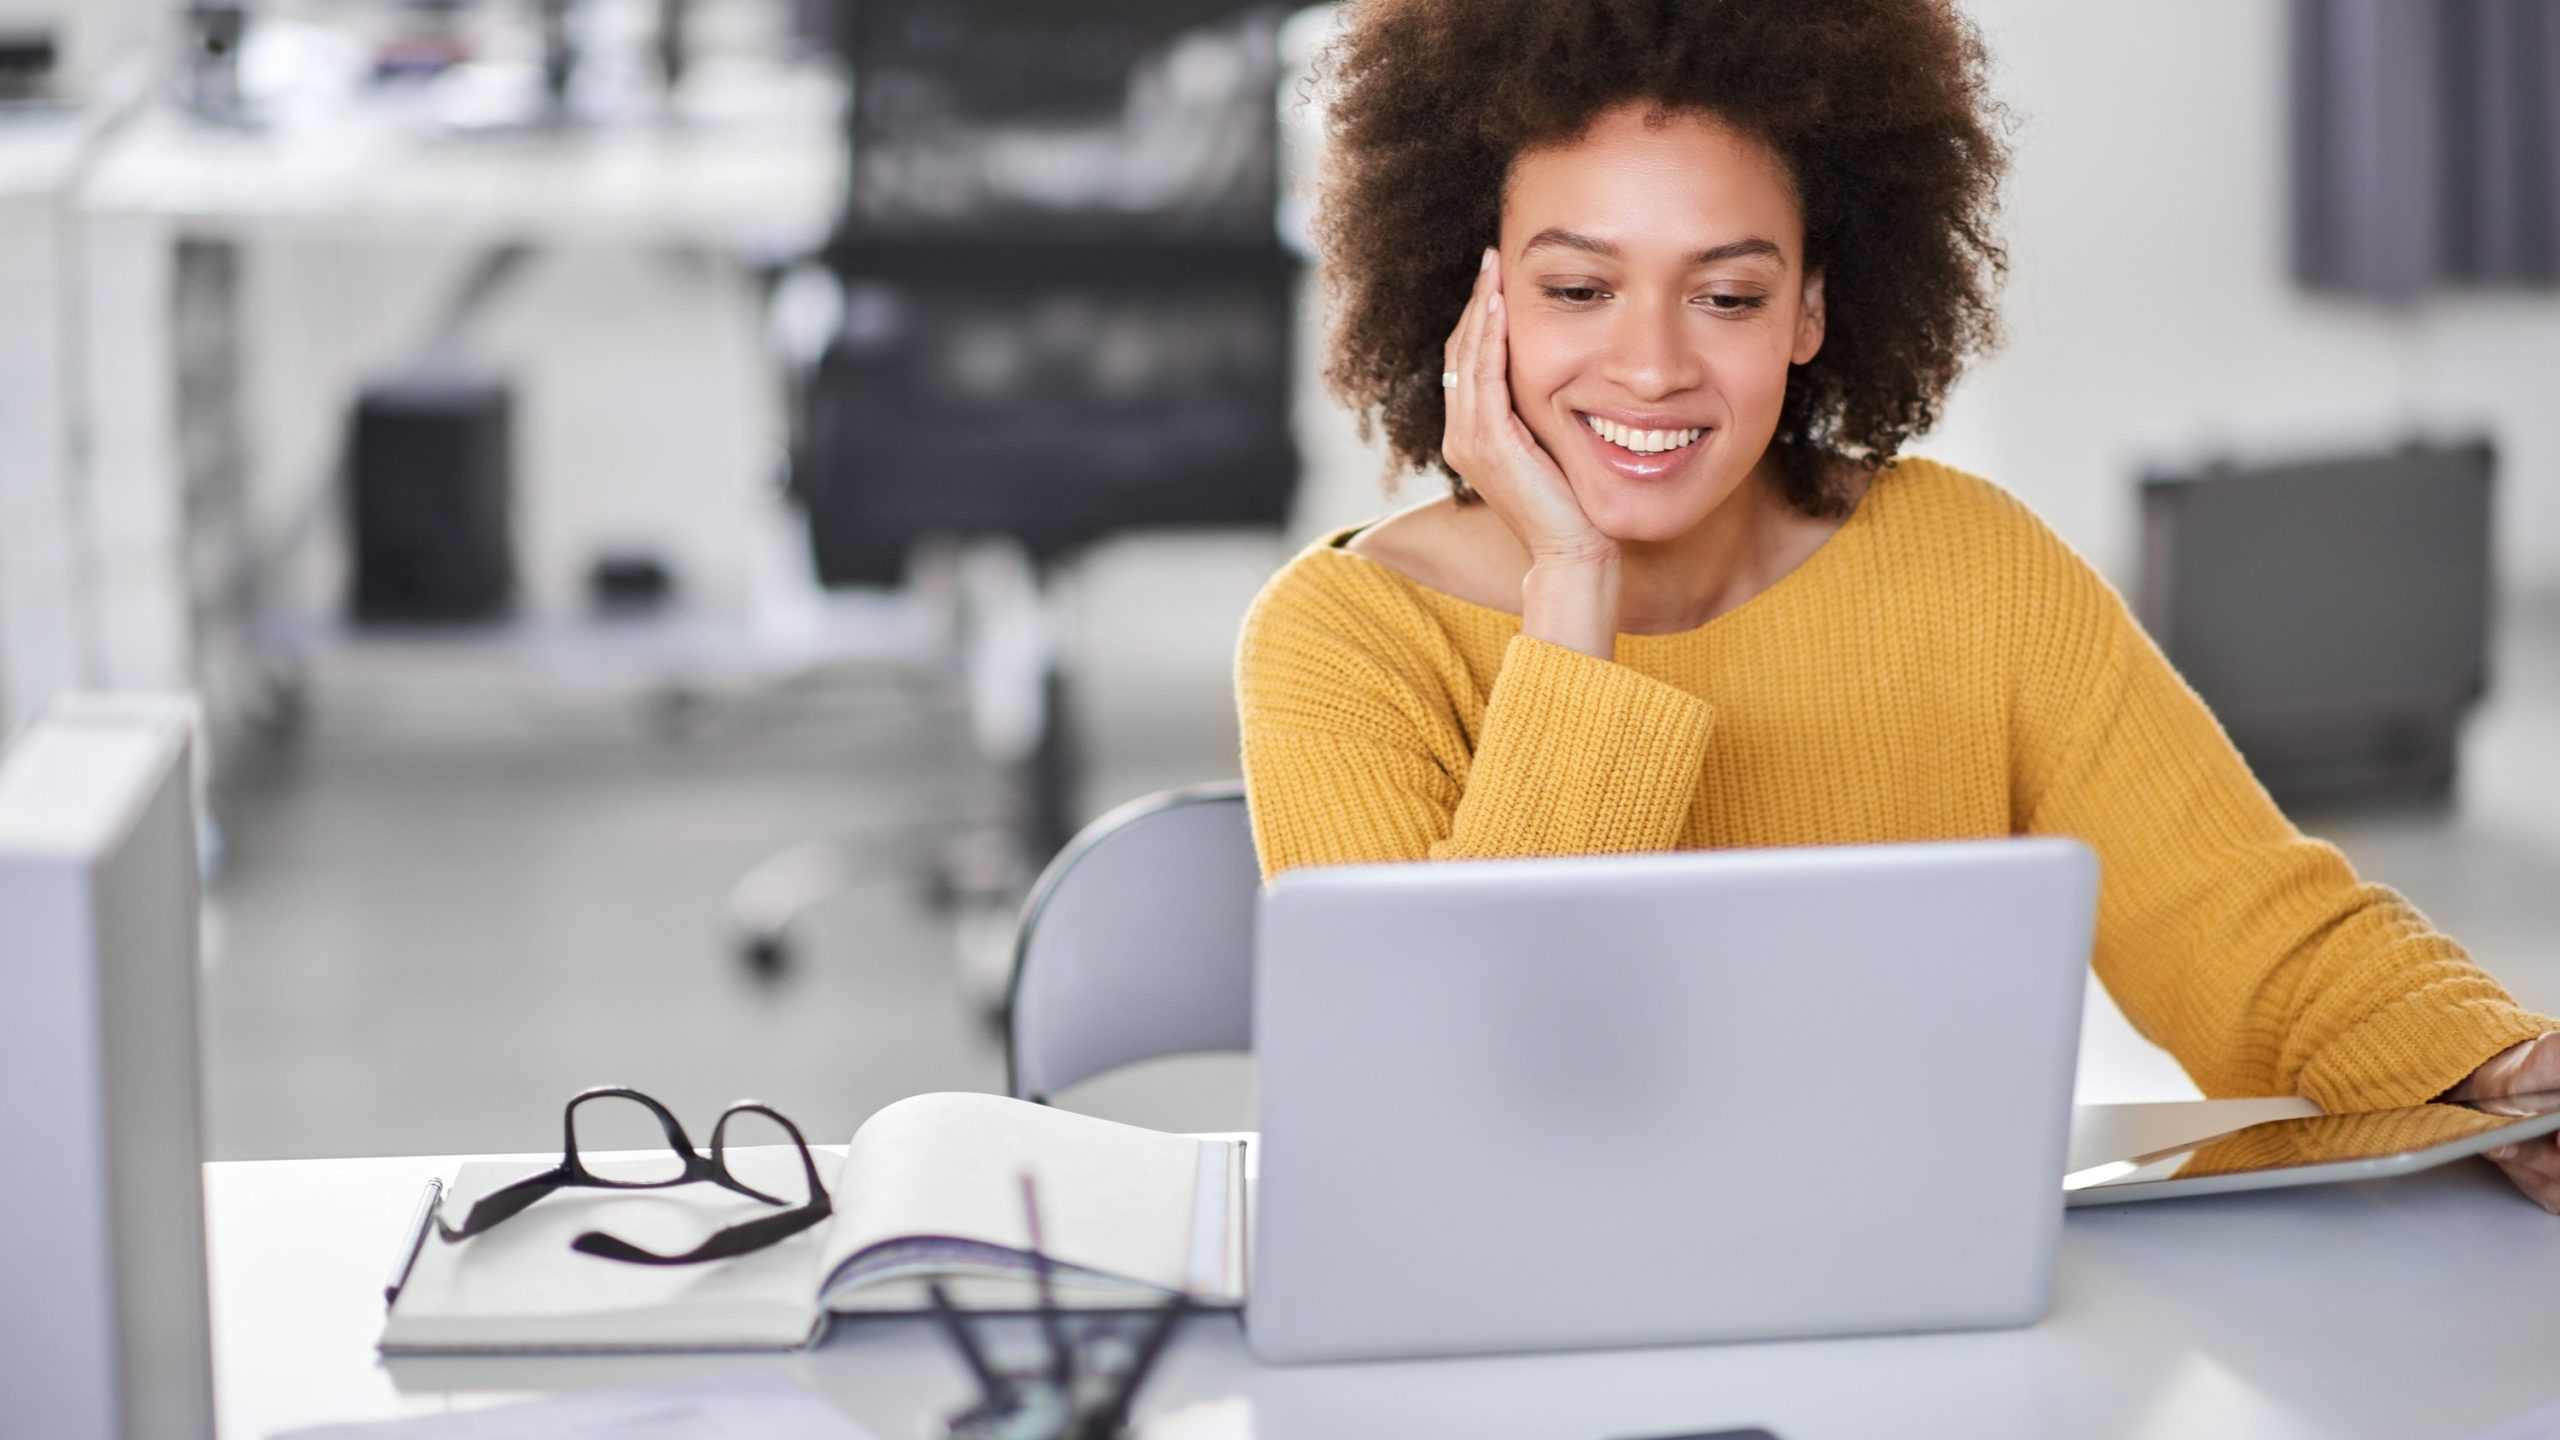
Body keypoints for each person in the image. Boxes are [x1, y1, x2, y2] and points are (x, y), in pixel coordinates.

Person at [1232, 0, 2560, 1208]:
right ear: (1476, 305)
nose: (1650, 365)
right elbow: (1439, 1106)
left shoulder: (1967, 568)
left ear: (1811, 307)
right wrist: (1570, 591)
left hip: (1933, 1323)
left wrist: (2500, 1066)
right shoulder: (1345, 637)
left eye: (1729, 294)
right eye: (1578, 289)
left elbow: (2246, 927)